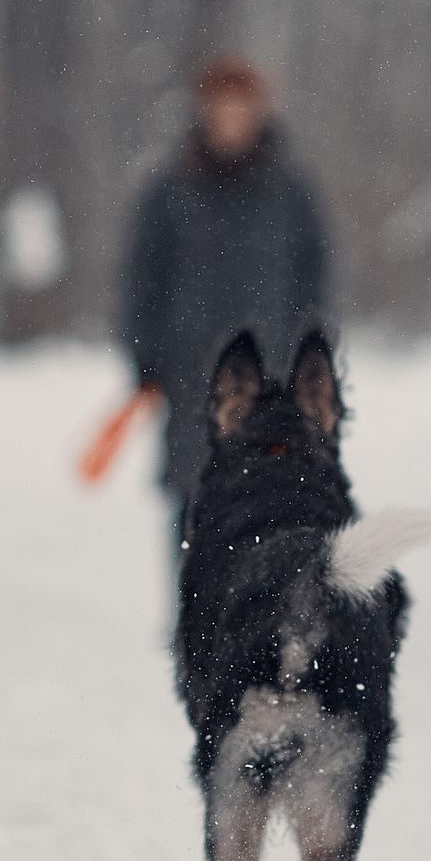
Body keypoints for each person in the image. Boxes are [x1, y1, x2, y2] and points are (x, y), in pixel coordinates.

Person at [122, 54, 330, 555]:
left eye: (242, 107)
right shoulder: (169, 193)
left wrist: (311, 364)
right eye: (222, 107)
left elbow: (315, 280)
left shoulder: (291, 193)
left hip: (274, 379)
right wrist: (147, 359)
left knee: (275, 505)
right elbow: (141, 283)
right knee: (197, 509)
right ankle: (196, 629)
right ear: (204, 111)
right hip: (193, 378)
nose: (232, 118)